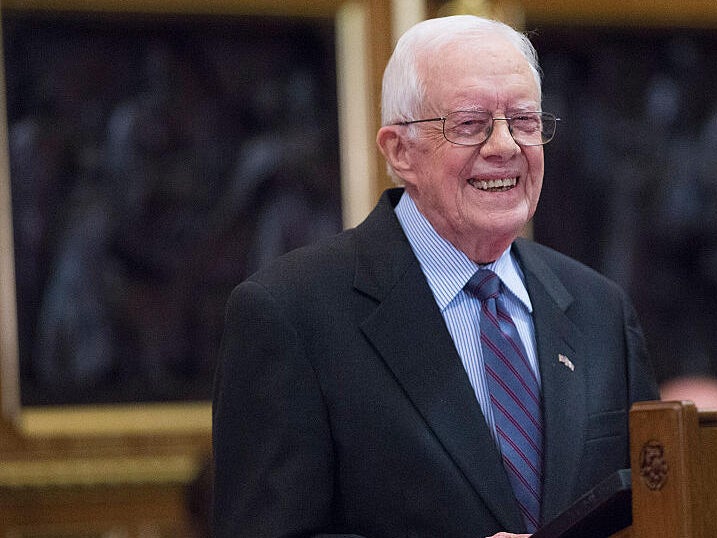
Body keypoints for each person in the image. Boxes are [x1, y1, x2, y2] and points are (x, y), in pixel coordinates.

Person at [212, 14, 659, 538]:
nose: (505, 146)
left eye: (524, 121)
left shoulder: (600, 309)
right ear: (399, 151)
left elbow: (657, 507)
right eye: (469, 124)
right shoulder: (290, 313)